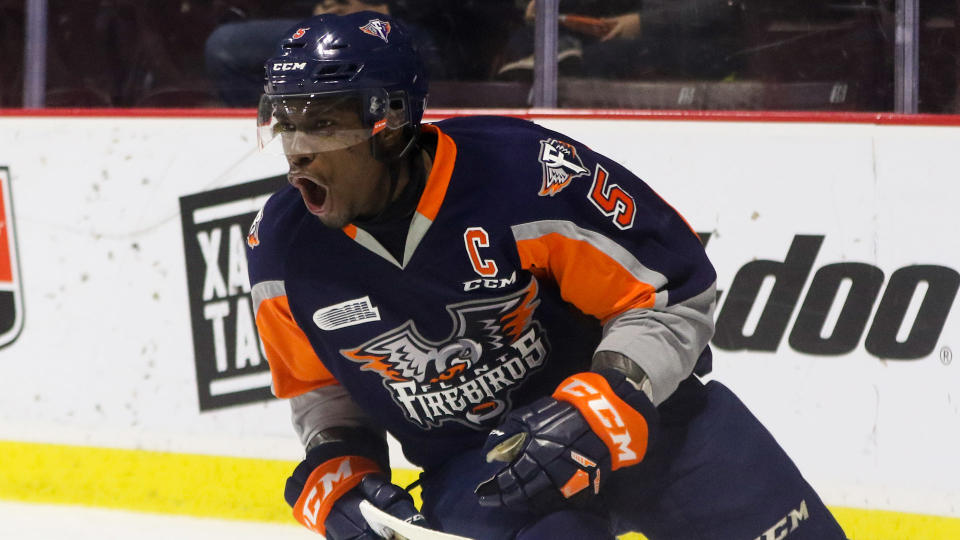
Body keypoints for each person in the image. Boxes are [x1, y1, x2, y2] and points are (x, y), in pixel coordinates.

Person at [245, 11, 848, 540]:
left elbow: (670, 291)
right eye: (286, 123)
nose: (297, 149)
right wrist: (339, 463)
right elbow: (320, 386)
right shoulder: (281, 251)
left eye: (323, 124)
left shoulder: (525, 174)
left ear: (393, 123)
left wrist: (608, 395)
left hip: (655, 425)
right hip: (482, 472)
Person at [204, 0, 443, 107]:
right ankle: (282, 118)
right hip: (318, 21)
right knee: (225, 43)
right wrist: (320, 8)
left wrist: (385, 8)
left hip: (399, 19)